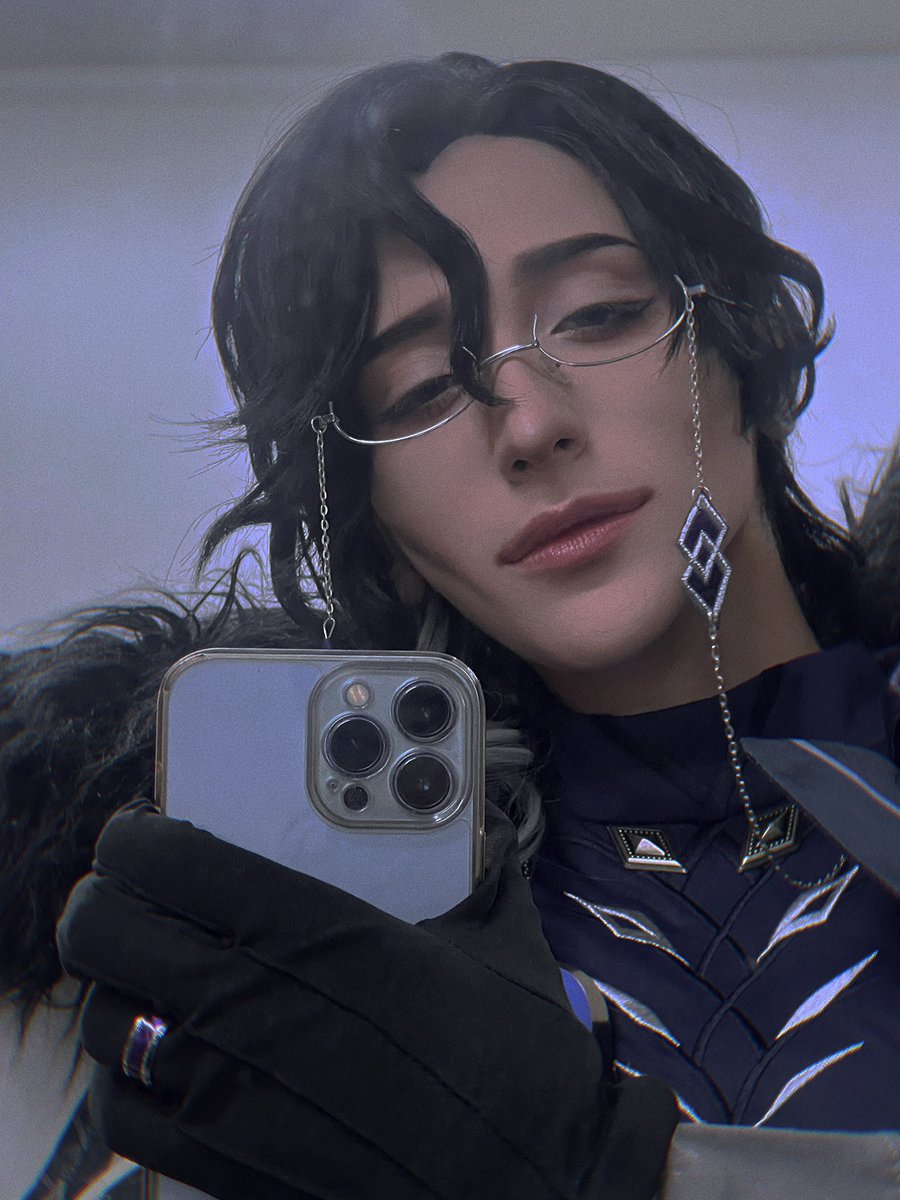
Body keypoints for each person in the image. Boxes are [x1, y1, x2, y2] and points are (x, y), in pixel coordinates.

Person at [2, 51, 898, 1200]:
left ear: (746, 340)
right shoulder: (327, 942)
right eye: (422, 390)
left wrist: (605, 1172)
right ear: (374, 520)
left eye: (598, 314)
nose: (528, 426)